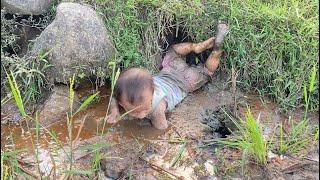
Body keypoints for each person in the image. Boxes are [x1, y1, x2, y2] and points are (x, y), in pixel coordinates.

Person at [106, 22, 229, 129]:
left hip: (187, 82)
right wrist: (114, 111)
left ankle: (216, 51)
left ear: (153, 93)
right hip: (170, 68)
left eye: (145, 109)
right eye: (135, 113)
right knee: (173, 50)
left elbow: (162, 128)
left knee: (207, 72)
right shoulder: (126, 95)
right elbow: (114, 96)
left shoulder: (156, 108)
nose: (141, 115)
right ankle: (196, 47)